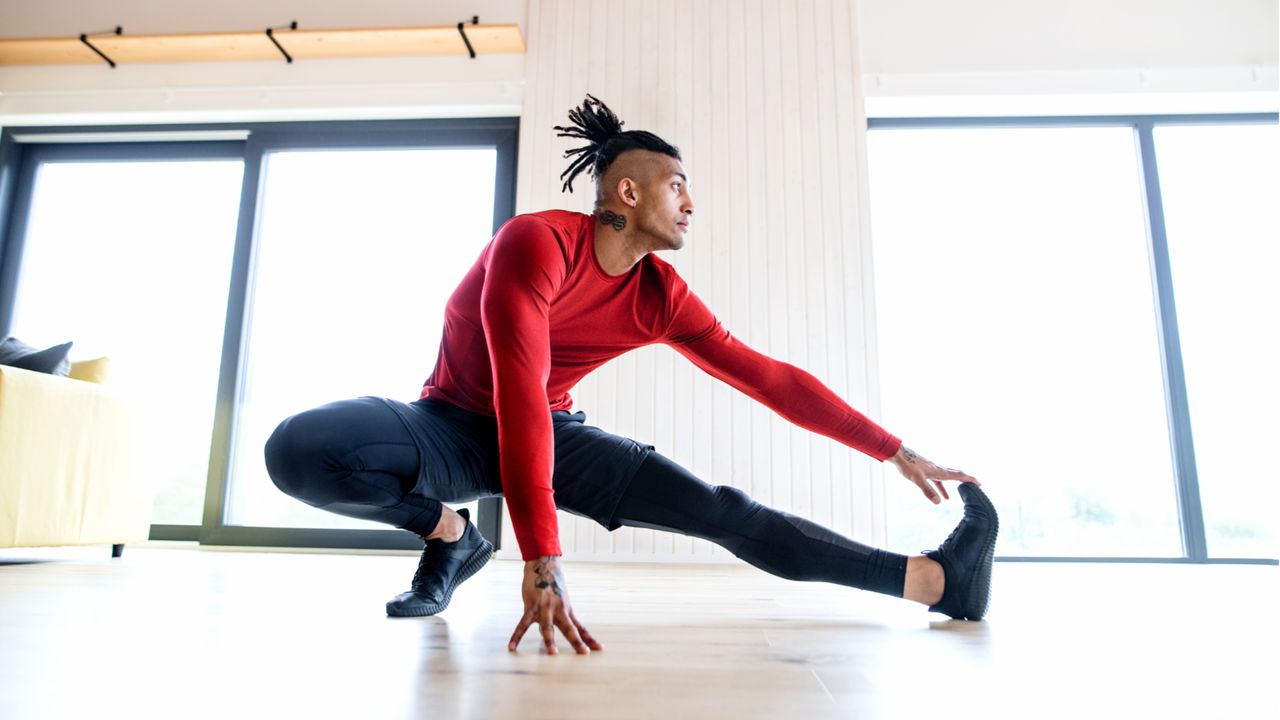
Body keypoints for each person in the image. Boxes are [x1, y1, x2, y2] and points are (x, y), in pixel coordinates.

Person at [264, 95, 998, 656]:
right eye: (678, 186)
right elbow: (515, 391)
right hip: (450, 427)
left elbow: (769, 378)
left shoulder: (660, 297)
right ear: (629, 193)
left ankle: (937, 580)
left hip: (553, 433)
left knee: (723, 511)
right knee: (298, 448)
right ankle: (450, 535)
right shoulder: (537, 243)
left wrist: (891, 448)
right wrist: (543, 559)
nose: (691, 204)